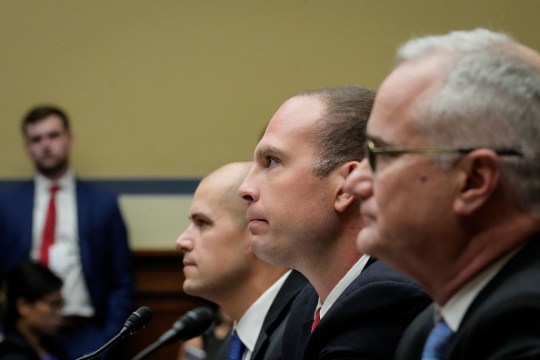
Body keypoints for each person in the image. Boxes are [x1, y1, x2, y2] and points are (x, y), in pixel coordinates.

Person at [344, 28, 540, 359]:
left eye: (383, 155)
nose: (354, 183)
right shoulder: (429, 330)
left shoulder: (524, 326)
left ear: (473, 181)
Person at [238, 86, 431, 359]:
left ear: (347, 187)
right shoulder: (307, 303)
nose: (245, 189)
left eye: (271, 161)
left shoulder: (385, 299)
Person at [0, 105, 135, 359]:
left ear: (69, 139)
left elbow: (121, 282)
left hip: (86, 334)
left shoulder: (102, 204)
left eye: (53, 136)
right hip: (23, 339)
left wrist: (108, 339)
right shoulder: (7, 206)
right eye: (36, 139)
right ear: (27, 148)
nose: (46, 145)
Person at [176, 161, 308, 360]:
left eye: (202, 223)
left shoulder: (303, 330)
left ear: (255, 230)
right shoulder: (234, 345)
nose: (181, 242)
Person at [0, 259, 69, 360]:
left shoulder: (53, 346)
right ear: (23, 306)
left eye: (61, 304)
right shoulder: (10, 355)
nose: (60, 313)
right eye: (53, 304)